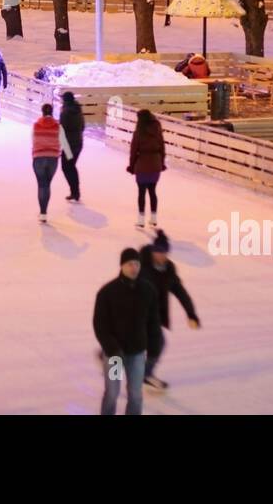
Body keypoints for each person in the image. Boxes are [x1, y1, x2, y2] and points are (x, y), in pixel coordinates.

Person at [92, 248, 159, 416]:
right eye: (130, 264)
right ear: (122, 266)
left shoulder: (148, 290)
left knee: (136, 394)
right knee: (112, 393)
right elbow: (100, 324)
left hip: (136, 354)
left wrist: (154, 349)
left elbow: (153, 323)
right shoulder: (108, 292)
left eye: (137, 264)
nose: (134, 268)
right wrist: (112, 348)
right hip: (115, 356)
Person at [137, 231, 200, 391]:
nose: (161, 255)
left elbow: (180, 292)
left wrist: (190, 313)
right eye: (157, 251)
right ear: (152, 250)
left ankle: (145, 374)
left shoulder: (169, 269)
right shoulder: (140, 265)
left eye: (164, 252)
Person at [128, 109, 166, 227]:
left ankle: (141, 220)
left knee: (141, 193)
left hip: (142, 164)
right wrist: (161, 162)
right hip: (155, 164)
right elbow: (162, 148)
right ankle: (153, 218)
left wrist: (131, 165)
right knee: (152, 191)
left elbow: (133, 151)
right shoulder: (157, 130)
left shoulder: (139, 132)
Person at [32, 103, 61, 223]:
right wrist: (69, 158)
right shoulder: (58, 126)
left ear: (42, 112)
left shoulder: (36, 125)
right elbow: (63, 142)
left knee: (41, 185)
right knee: (47, 185)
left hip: (38, 157)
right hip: (53, 158)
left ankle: (43, 212)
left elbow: (33, 140)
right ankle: (44, 212)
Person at [59, 90, 84, 202]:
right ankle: (75, 191)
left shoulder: (65, 112)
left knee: (66, 167)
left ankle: (75, 192)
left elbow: (62, 130)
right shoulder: (78, 110)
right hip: (78, 143)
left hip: (69, 145)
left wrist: (61, 145)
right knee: (71, 167)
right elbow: (83, 126)